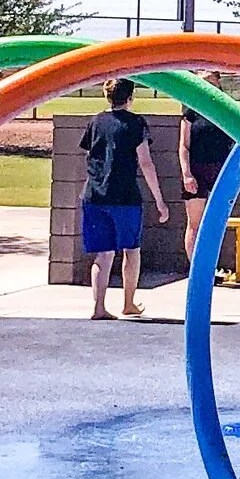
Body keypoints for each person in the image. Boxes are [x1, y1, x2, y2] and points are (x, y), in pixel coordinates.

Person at [79, 75, 168, 321]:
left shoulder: (96, 121)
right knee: (131, 250)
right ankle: (128, 303)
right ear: (130, 98)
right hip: (125, 196)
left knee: (103, 254)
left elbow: (90, 154)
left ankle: (98, 307)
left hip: (94, 195)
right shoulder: (135, 123)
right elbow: (146, 163)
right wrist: (159, 200)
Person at [177, 80, 236, 276]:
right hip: (196, 170)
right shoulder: (190, 110)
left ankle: (210, 267)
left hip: (220, 171)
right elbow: (183, 146)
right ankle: (197, 271)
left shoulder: (225, 109)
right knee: (194, 223)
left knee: (215, 222)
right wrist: (186, 174)